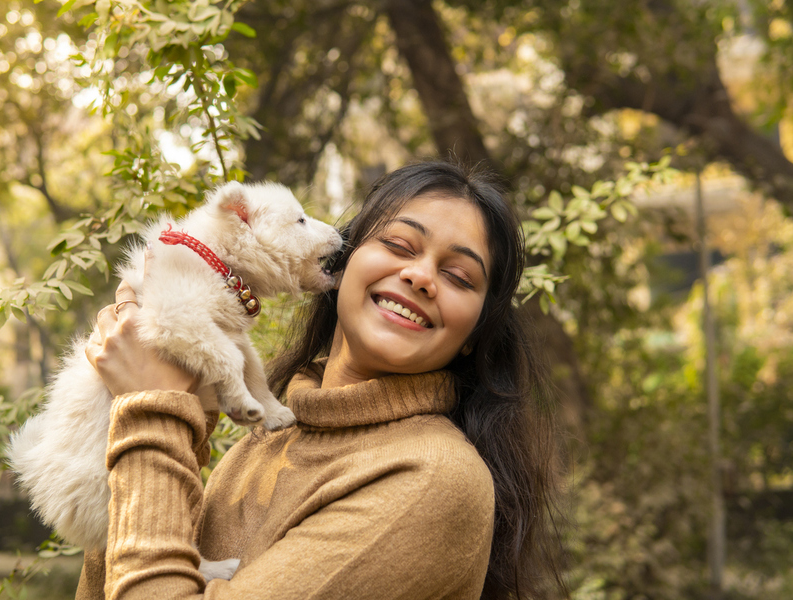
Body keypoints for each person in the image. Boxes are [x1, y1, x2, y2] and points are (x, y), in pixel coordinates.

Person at [77, 160, 566, 600]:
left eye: (459, 276)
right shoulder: (269, 440)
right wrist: (169, 403)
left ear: (473, 336)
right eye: (398, 245)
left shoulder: (432, 478)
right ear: (342, 261)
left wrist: (150, 406)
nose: (421, 276)